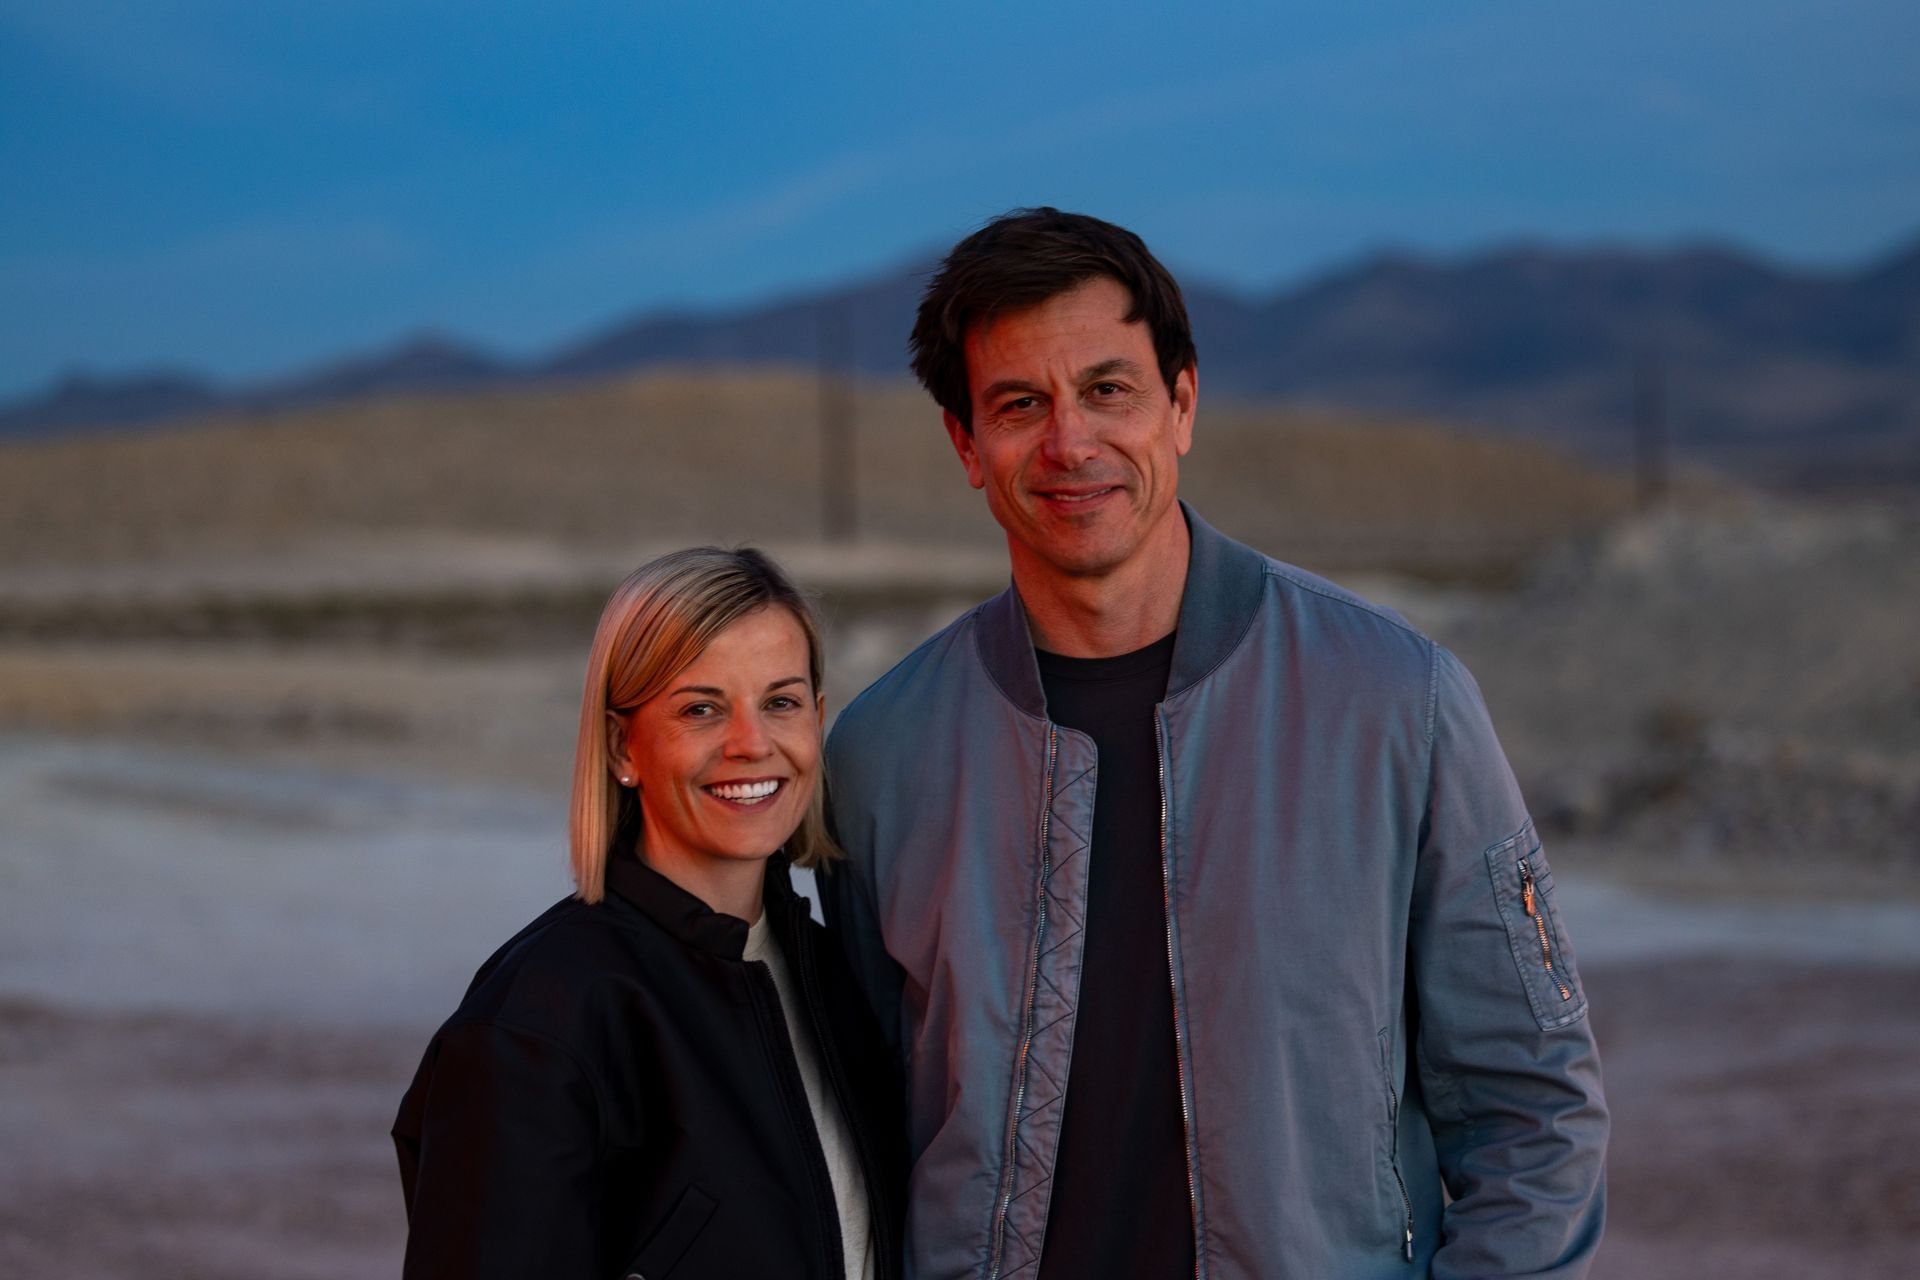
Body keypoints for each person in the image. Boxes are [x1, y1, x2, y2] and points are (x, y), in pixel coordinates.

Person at [819, 209, 1608, 1278]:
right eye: (1019, 404)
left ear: (1182, 402)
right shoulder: (884, 754)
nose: (1069, 441)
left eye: (1109, 389)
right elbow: (866, 1137)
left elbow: (1536, 1112)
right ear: (967, 443)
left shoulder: (1396, 701)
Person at [393, 547, 903, 1280]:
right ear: (619, 745)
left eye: (781, 702)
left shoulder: (836, 981)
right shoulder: (538, 1022)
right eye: (701, 709)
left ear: (817, 722)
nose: (752, 744)